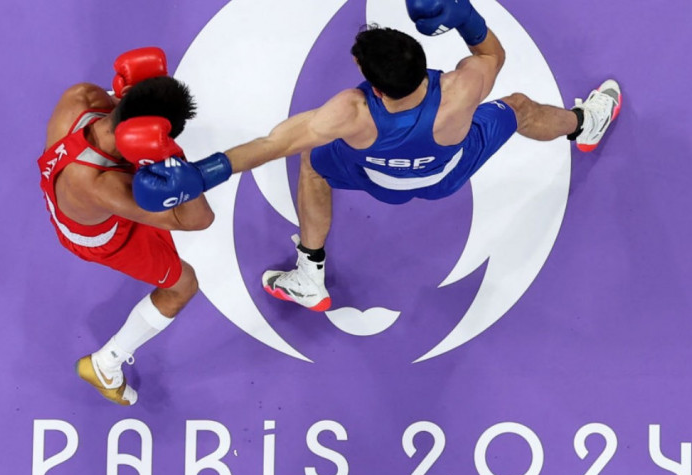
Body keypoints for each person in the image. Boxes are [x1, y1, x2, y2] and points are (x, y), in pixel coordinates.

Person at [131, 0, 622, 312]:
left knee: (311, 165)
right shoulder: (460, 87)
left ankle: (309, 275)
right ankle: (585, 124)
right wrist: (465, 16)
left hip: (374, 177)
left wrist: (200, 174)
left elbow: (268, 146)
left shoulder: (349, 113)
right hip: (451, 169)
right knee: (517, 108)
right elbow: (493, 55)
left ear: (371, 83)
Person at [38, 47, 224, 406]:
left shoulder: (83, 97)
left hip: (72, 195)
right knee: (182, 286)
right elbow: (199, 219)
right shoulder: (104, 185)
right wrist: (172, 159)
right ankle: (105, 365)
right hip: (101, 236)